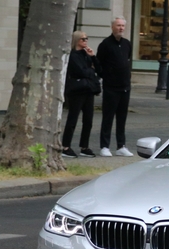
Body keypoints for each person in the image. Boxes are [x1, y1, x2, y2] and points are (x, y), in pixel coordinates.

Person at [97, 16, 133, 157]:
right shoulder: (105, 44)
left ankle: (121, 145)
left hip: (125, 87)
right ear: (112, 27)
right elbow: (99, 64)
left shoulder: (127, 44)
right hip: (111, 87)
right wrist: (106, 76)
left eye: (123, 26)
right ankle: (105, 146)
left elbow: (127, 59)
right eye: (118, 25)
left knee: (122, 117)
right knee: (108, 117)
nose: (121, 28)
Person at [62, 31, 101, 158]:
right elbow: (80, 71)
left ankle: (84, 146)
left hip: (89, 90)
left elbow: (99, 70)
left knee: (88, 120)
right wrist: (91, 70)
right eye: (83, 39)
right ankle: (65, 146)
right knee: (72, 118)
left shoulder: (86, 54)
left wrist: (93, 57)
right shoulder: (73, 55)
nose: (86, 41)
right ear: (77, 40)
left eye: (87, 39)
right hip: (77, 91)